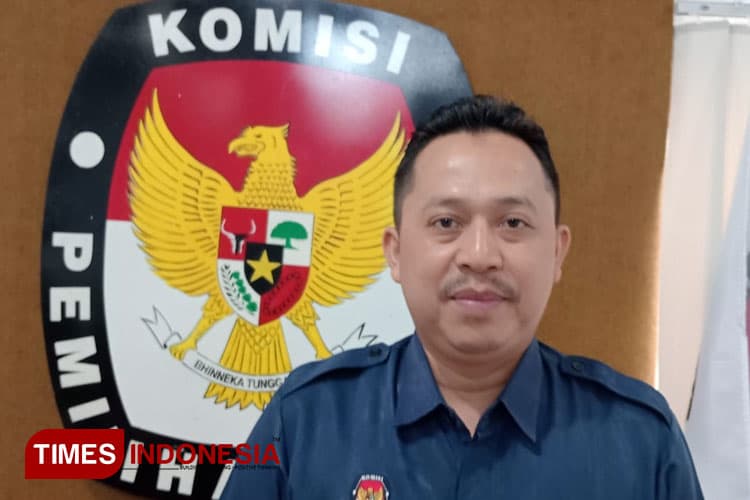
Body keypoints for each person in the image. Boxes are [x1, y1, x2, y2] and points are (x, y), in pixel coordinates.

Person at [221, 95, 703, 499]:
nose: (479, 256)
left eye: (512, 223)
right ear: (395, 252)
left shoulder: (640, 441)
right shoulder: (305, 421)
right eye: (446, 222)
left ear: (557, 252)